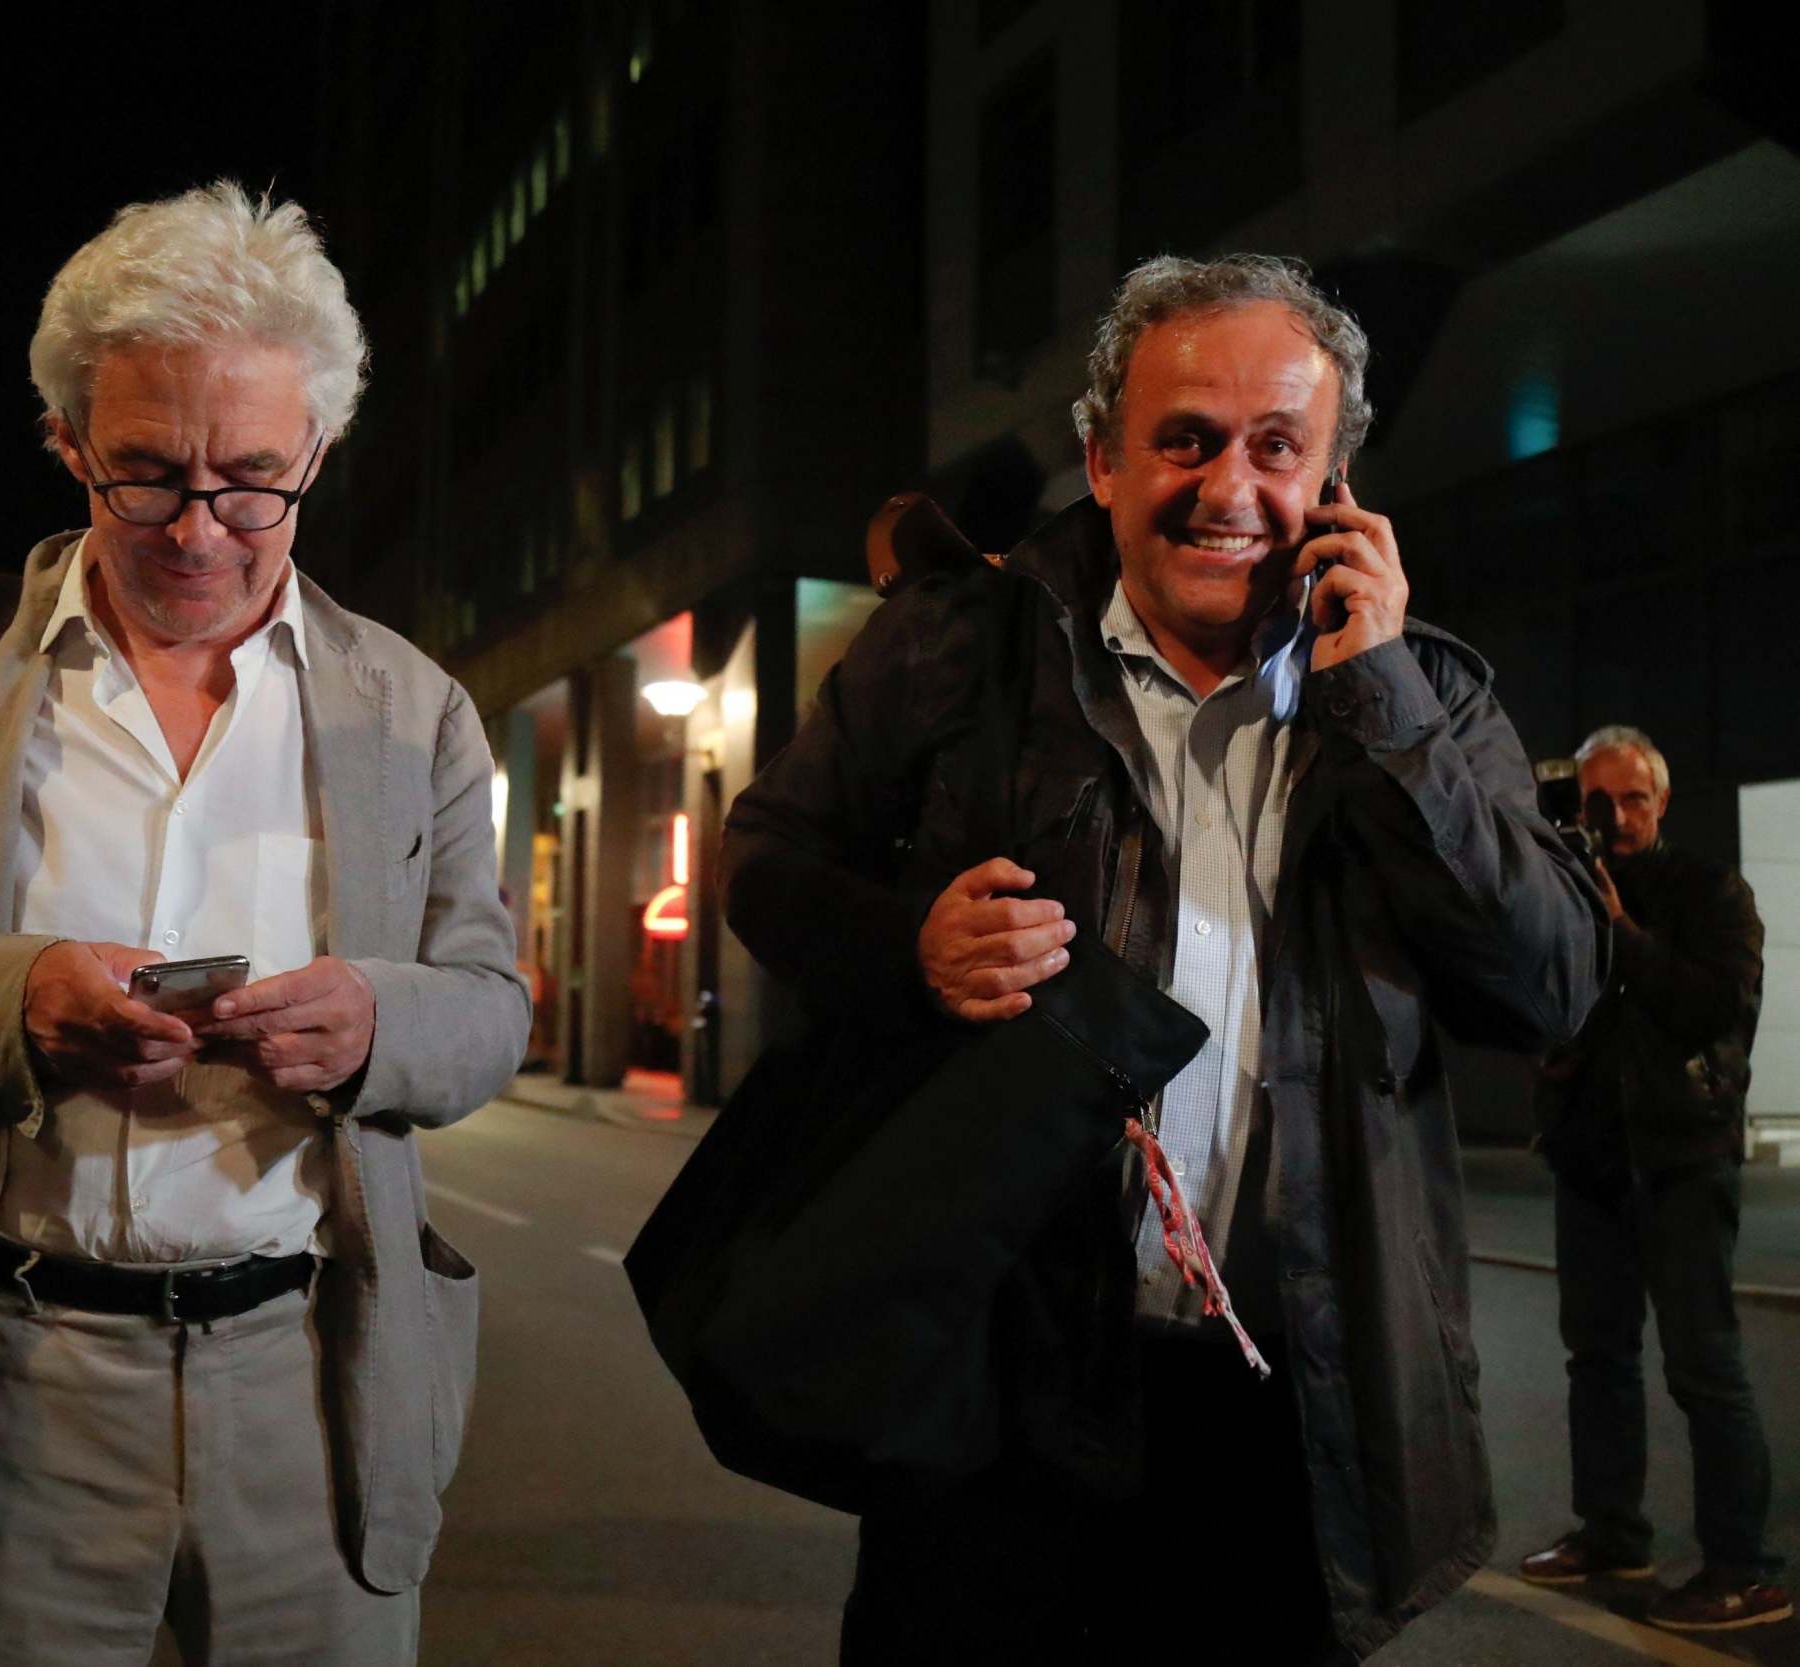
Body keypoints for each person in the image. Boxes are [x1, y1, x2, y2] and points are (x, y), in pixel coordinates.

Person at [720, 253, 1608, 1663]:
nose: (1228, 488)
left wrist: (1379, 703)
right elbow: (760, 859)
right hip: (996, 1369)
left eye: (1277, 446)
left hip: (1289, 1398)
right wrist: (909, 945)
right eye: (1183, 439)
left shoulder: (1426, 695)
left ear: (1334, 476)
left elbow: (1543, 984)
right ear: (1102, 456)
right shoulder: (957, 647)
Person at [0, 181, 529, 1667]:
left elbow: (490, 1004)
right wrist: (8, 1000)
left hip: (316, 1390)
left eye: (253, 482)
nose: (201, 528)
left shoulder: (411, 709)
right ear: (68, 444)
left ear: (319, 453)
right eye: (146, 474)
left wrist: (374, 1024)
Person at [1522, 727, 1784, 1630]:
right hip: (1591, 1161)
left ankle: (1743, 1566)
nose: (1618, 817)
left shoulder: (1712, 892)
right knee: (1598, 1358)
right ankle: (1612, 1530)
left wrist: (1621, 931)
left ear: (1662, 802)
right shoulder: (1568, 895)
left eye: (1634, 799)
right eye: (1600, 801)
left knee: (1704, 1366)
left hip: (1682, 1159)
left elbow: (1715, 1005)